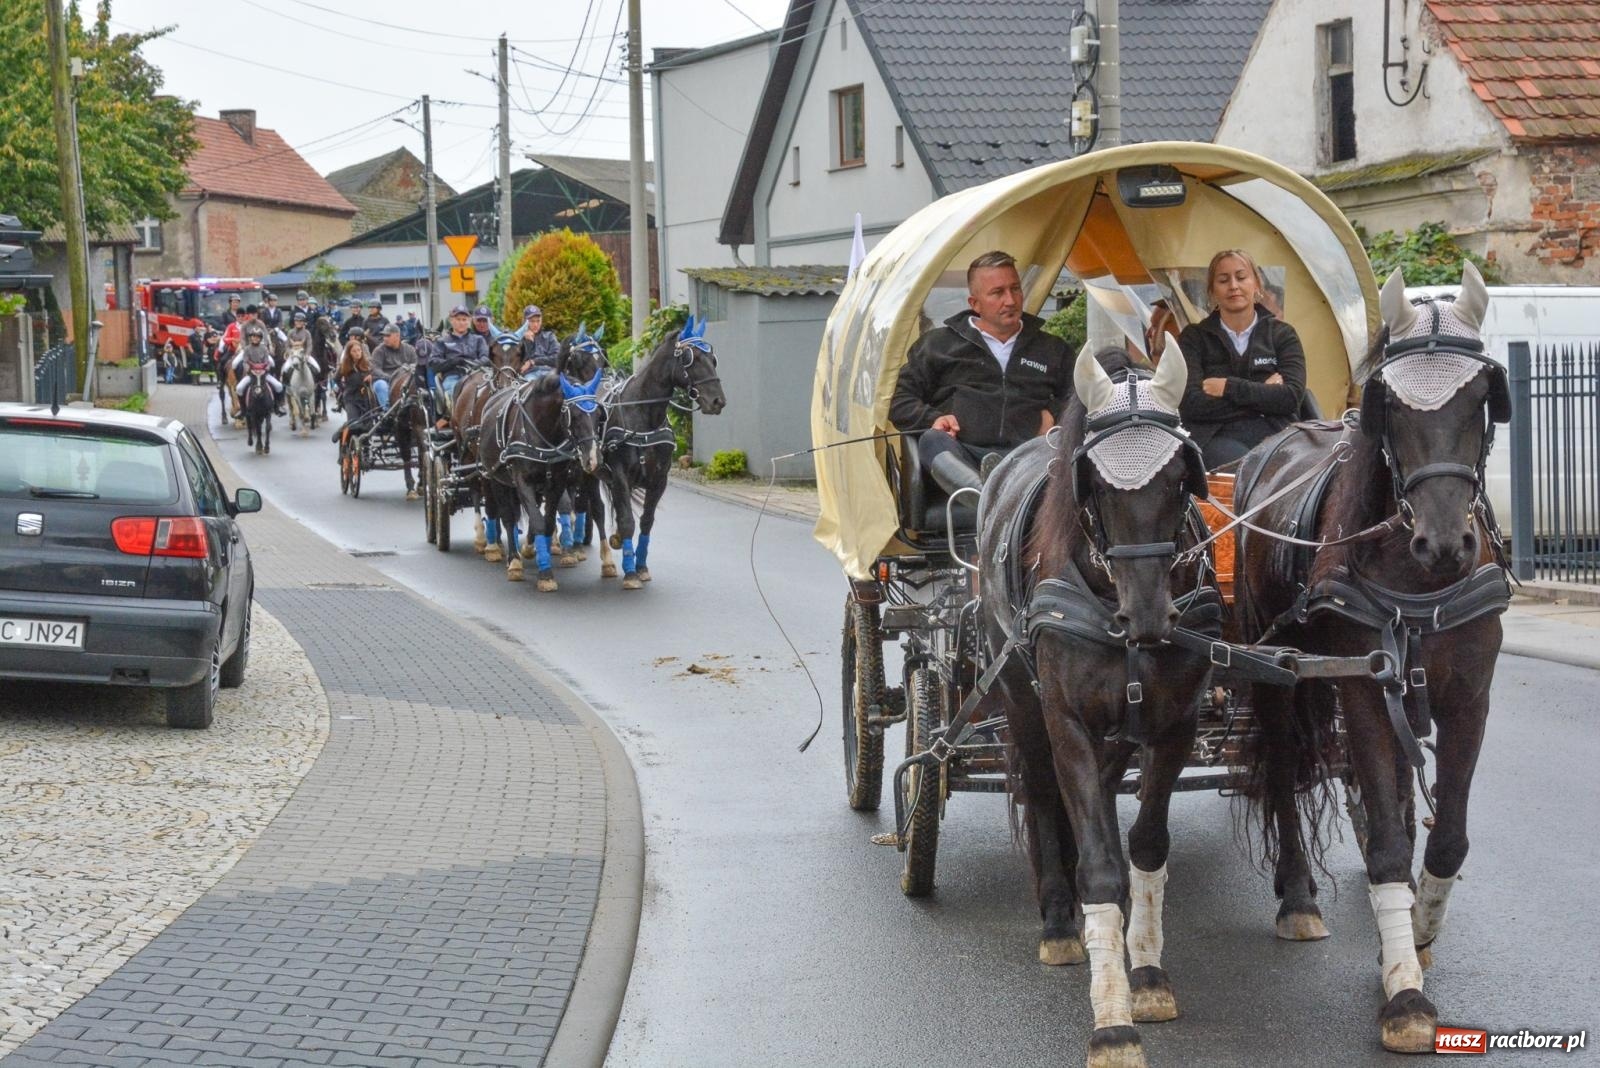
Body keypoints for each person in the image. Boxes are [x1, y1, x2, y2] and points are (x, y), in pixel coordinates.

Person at [890, 250, 1075, 495]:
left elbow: (1081, 398)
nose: (1010, 300)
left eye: (1015, 289)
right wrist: (932, 419)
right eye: (997, 293)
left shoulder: (1052, 349)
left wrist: (1054, 414)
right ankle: (983, 498)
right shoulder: (936, 346)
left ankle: (999, 496)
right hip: (963, 454)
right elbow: (900, 401)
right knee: (932, 440)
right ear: (974, 304)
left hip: (1031, 456)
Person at [1177, 248, 1307, 468]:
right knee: (1243, 467)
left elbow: (1291, 397)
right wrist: (1263, 394)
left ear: (1256, 284)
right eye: (1223, 280)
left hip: (1277, 432)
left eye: (1241, 277)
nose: (1233, 286)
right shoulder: (1194, 338)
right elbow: (1190, 404)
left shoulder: (1282, 334)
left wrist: (1228, 387)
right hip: (1215, 437)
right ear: (1212, 290)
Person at [430, 304, 492, 428]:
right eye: (458, 319)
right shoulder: (442, 342)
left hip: (476, 376)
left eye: (464, 320)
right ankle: (453, 420)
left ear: (469, 321)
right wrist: (453, 362)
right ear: (451, 321)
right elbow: (434, 363)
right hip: (453, 377)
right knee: (454, 393)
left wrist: (473, 365)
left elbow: (486, 358)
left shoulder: (478, 339)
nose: (461, 323)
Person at [232, 324, 284, 413]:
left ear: (260, 338)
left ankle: (277, 406)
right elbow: (245, 361)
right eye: (253, 336)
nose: (255, 338)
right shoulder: (247, 349)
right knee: (239, 388)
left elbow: (267, 361)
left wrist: (264, 369)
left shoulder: (264, 348)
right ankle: (243, 410)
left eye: (257, 337)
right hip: (251, 375)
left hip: (263, 374)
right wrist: (249, 369)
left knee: (279, 386)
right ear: (250, 338)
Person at [370, 323, 415, 408]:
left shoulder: (410, 349)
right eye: (384, 336)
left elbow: (416, 365)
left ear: (397, 336)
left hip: (406, 382)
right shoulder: (379, 350)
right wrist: (390, 377)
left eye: (388, 336)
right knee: (380, 385)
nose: (385, 338)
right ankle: (388, 413)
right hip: (386, 381)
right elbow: (375, 369)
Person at [517, 305, 561, 376]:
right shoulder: (519, 339)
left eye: (538, 321)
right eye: (532, 321)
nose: (536, 324)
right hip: (529, 375)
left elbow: (558, 358)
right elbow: (518, 363)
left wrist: (533, 361)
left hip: (550, 373)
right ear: (524, 322)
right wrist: (527, 341)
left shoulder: (549, 336)